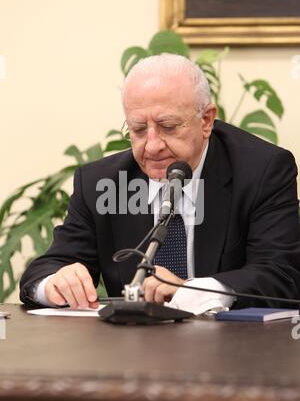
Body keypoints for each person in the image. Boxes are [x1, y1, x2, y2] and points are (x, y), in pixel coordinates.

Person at [20, 54, 300, 314]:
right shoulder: (102, 183)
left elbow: (282, 275)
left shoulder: (261, 171)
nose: (152, 146)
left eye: (168, 126)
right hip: (133, 354)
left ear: (206, 120)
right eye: (138, 129)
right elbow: (46, 270)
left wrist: (194, 291)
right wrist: (55, 283)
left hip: (235, 353)